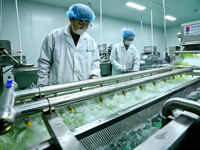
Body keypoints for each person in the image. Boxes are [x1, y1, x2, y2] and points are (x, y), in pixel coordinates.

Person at [37, 4, 100, 86]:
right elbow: (44, 63)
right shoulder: (54, 36)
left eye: (87, 24)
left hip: (82, 89)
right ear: (71, 19)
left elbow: (95, 62)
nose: (84, 27)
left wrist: (94, 75)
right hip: (58, 89)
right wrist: (42, 87)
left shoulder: (91, 41)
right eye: (81, 23)